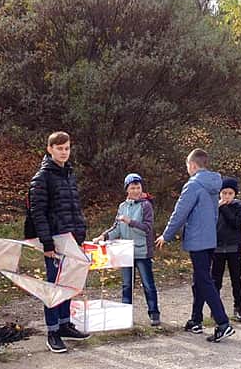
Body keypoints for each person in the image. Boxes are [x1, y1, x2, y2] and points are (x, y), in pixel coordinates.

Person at [155, 149, 235, 343]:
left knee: (204, 281)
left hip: (198, 239)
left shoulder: (192, 186)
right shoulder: (214, 184)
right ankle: (196, 319)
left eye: (187, 166)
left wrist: (166, 234)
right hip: (209, 238)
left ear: (192, 165)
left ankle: (223, 322)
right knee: (199, 279)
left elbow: (180, 212)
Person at [27, 131, 90, 353]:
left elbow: (74, 207)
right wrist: (47, 244)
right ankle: (52, 331)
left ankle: (65, 324)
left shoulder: (69, 174)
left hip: (72, 238)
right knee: (54, 288)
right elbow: (38, 213)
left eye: (67, 148)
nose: (64, 152)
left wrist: (80, 233)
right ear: (50, 149)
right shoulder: (42, 178)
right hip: (55, 240)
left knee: (69, 285)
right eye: (59, 148)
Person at [94, 173, 160, 326]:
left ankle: (154, 313)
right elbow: (116, 228)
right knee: (126, 285)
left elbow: (147, 228)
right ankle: (125, 316)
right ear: (127, 190)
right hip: (125, 253)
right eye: (133, 188)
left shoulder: (146, 205)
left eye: (138, 187)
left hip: (142, 252)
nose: (136, 191)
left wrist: (130, 221)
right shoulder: (122, 207)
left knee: (148, 284)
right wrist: (103, 237)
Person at [211, 177, 241, 322]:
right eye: (224, 193)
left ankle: (238, 307)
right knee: (216, 280)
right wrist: (217, 208)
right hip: (217, 248)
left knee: (236, 279)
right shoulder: (214, 207)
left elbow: (235, 223)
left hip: (234, 247)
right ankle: (216, 309)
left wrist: (224, 208)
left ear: (235, 194)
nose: (226, 196)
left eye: (230, 193)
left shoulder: (239, 206)